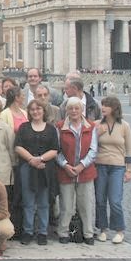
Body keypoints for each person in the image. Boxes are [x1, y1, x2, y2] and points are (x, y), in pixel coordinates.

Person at [14, 99, 59, 245]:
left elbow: (55, 149)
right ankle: (28, 231)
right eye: (32, 109)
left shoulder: (51, 129)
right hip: (27, 168)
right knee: (28, 201)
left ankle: (42, 232)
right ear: (29, 112)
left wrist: (39, 159)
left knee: (43, 201)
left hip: (45, 169)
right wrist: (31, 160)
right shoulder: (24, 127)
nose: (35, 112)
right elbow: (18, 147)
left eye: (38, 109)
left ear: (43, 111)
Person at [56, 96, 98, 245]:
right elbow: (57, 150)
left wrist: (81, 165)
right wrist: (65, 165)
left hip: (85, 172)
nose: (73, 111)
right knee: (66, 205)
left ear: (82, 110)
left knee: (86, 204)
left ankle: (88, 233)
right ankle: (63, 232)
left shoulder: (90, 126)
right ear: (66, 110)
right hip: (65, 171)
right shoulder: (60, 126)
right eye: (70, 108)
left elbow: (93, 150)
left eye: (77, 108)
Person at [95, 96, 131, 244]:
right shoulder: (97, 124)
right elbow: (89, 144)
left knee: (115, 200)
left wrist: (129, 170)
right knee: (100, 200)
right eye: (102, 105)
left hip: (118, 167)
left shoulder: (124, 126)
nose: (102, 107)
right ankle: (103, 229)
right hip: (100, 165)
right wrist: (97, 134)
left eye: (106, 105)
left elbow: (130, 149)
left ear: (114, 108)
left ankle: (119, 230)